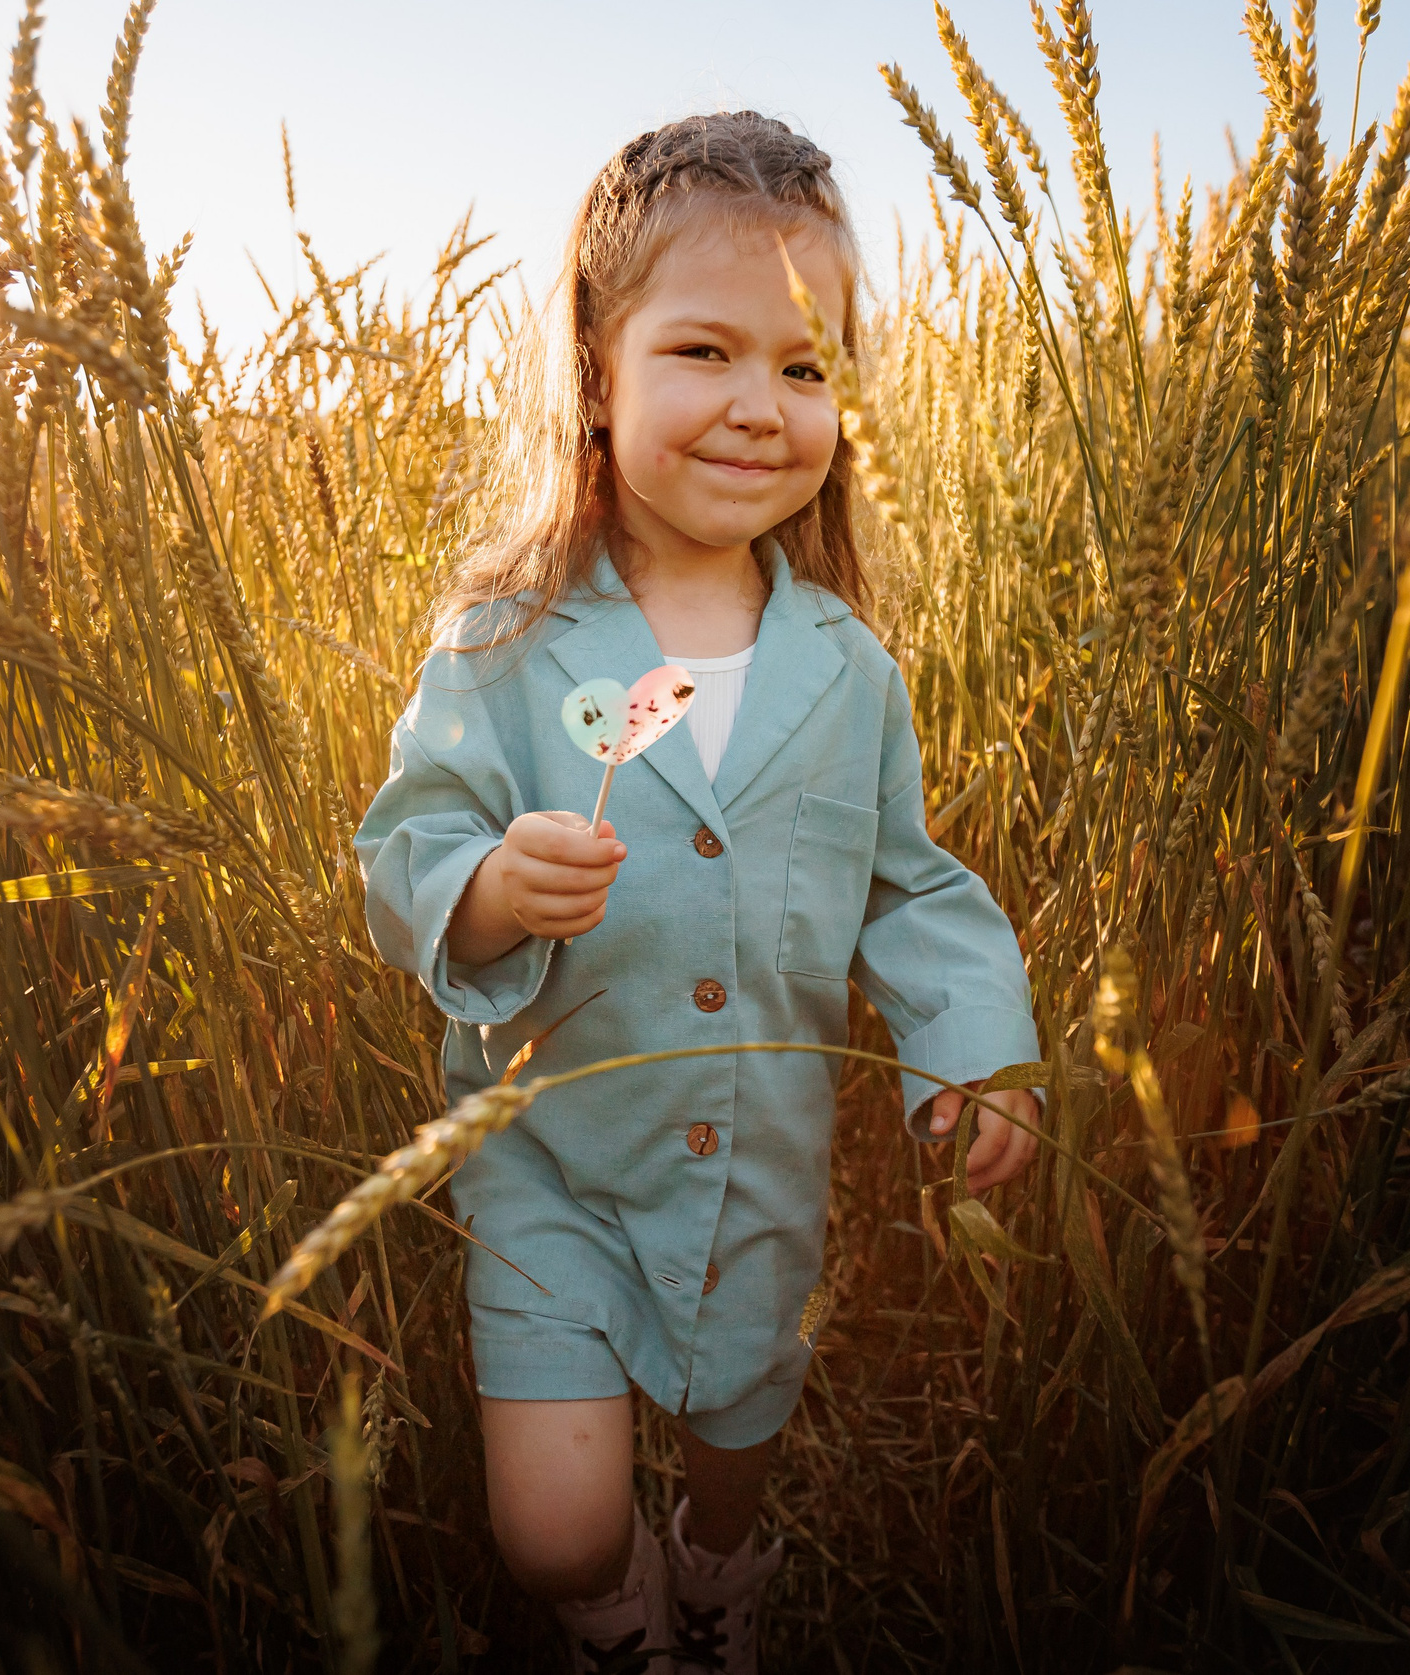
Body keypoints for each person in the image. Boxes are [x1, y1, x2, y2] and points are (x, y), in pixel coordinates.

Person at [355, 111, 1042, 1674]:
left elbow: (906, 887)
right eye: (705, 352)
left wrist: (973, 1041)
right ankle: (614, 1622)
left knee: (740, 1443)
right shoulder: (506, 638)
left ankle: (720, 1579)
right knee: (554, 1526)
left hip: (760, 1155)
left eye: (807, 368)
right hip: (552, 1157)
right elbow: (407, 844)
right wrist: (484, 885)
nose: (758, 407)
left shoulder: (846, 668)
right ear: (595, 371)